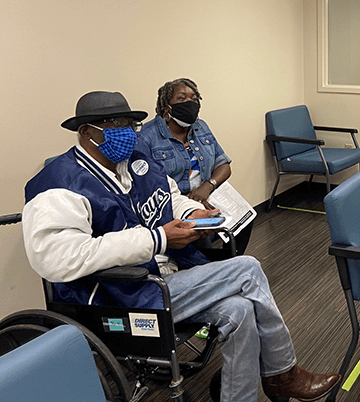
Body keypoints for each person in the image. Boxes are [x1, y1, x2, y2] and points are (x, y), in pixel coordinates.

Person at [22, 91, 340, 402]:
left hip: (165, 278)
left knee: (240, 310)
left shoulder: (136, 162)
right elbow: (57, 260)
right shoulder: (58, 184)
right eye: (114, 125)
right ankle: (283, 373)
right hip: (118, 298)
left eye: (129, 125)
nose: (127, 134)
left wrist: (193, 213)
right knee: (248, 269)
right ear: (87, 132)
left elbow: (169, 197)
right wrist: (158, 238)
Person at [136, 78, 252, 255]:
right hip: (173, 206)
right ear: (166, 106)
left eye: (194, 98)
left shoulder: (200, 127)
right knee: (201, 241)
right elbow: (145, 186)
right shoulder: (147, 137)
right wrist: (190, 202)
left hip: (207, 195)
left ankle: (231, 263)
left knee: (244, 219)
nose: (190, 103)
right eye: (182, 99)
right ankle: (212, 270)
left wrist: (207, 186)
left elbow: (224, 166)